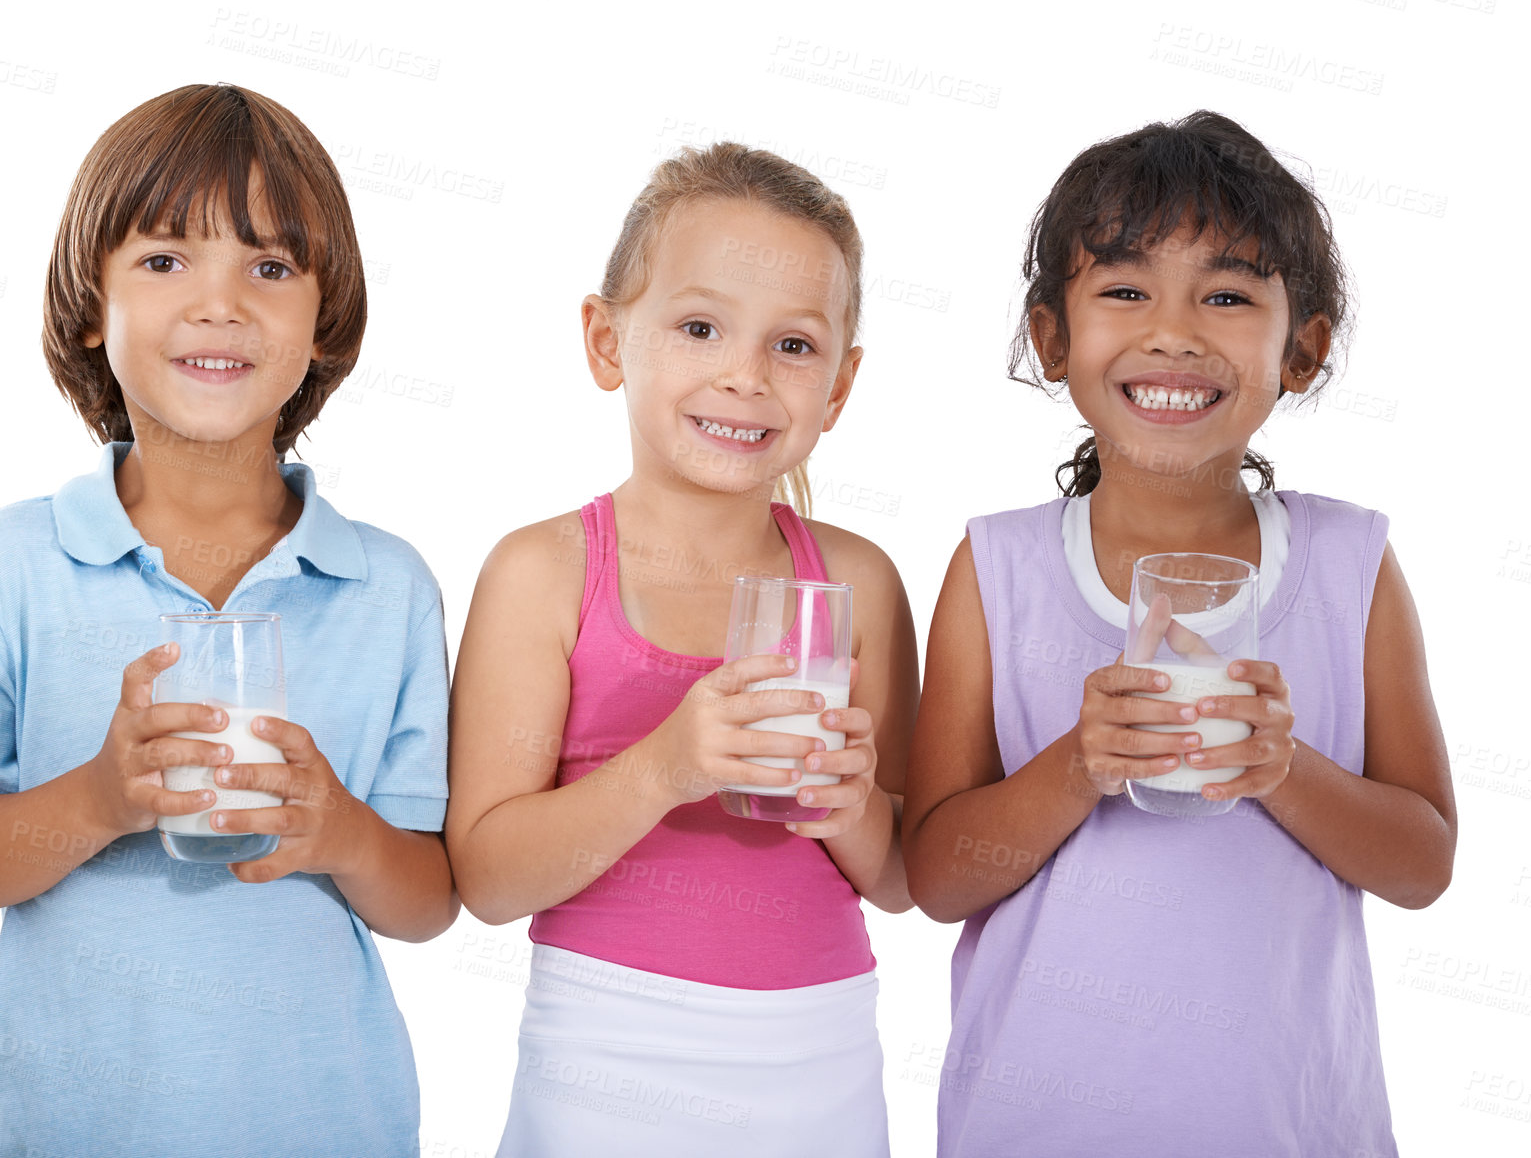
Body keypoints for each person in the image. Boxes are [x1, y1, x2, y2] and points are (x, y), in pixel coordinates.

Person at [0, 83, 456, 1157]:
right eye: (165, 259)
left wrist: (342, 829)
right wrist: (98, 798)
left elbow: (427, 901)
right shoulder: (11, 567)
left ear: (321, 324)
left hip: (330, 1126)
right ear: (92, 305)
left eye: (269, 268)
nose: (219, 304)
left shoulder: (389, 588)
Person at [902, 110, 1455, 1156]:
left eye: (1228, 295)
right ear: (1050, 336)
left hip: (1291, 1131)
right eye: (1123, 289)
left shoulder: (1350, 564)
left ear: (1304, 346)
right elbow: (936, 875)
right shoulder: (996, 568)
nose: (1173, 331)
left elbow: (1421, 864)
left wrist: (1281, 766)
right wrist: (1078, 765)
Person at [446, 142, 920, 1156]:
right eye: (699, 327)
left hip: (818, 1047)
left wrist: (848, 805)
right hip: (608, 1049)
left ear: (838, 387)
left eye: (793, 346)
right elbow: (485, 877)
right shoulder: (544, 572)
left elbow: (900, 874)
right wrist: (666, 766)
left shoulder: (860, 583)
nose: (743, 376)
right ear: (608, 340)